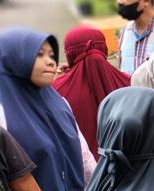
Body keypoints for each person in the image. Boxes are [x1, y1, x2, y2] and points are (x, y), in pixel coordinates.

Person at [0, 28, 94, 191]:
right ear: (13, 60)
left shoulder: (59, 102)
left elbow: (84, 158)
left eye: (52, 55)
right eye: (39, 55)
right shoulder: (2, 112)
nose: (50, 62)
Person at [52, 25, 130, 159]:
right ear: (103, 48)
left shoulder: (56, 89)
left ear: (70, 53)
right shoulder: (129, 81)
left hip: (83, 171)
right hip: (128, 168)